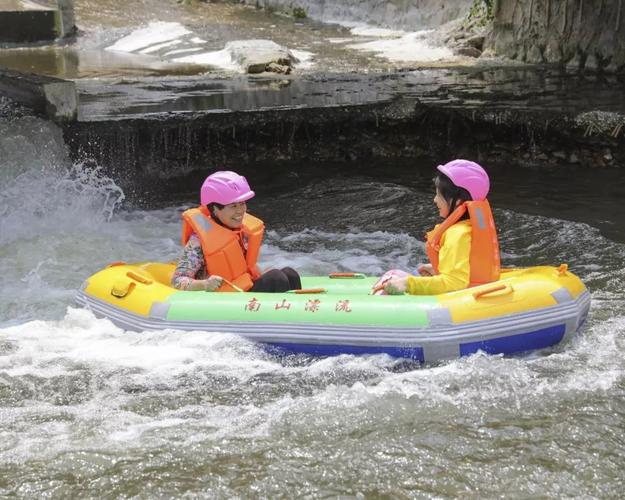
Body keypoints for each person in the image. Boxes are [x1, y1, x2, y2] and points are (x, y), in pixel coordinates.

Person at [383, 159, 500, 295]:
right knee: (400, 273)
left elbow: (455, 282)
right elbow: (468, 268)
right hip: (477, 287)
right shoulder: (469, 227)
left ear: (458, 202)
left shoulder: (457, 234)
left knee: (397, 276)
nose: (435, 199)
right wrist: (437, 269)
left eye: (439, 195)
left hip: (466, 299)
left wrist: (408, 283)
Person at [172, 170, 301, 293]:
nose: (240, 211)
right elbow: (177, 281)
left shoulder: (241, 232)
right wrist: (205, 284)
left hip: (241, 289)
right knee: (276, 278)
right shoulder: (198, 241)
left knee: (290, 274)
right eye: (233, 206)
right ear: (215, 209)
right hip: (223, 296)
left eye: (242, 203)